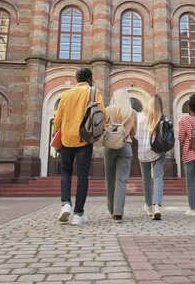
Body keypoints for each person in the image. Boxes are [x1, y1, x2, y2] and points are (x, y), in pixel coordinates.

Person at [52, 68, 106, 225]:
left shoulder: (66, 94)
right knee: (82, 175)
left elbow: (57, 119)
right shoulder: (93, 92)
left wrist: (56, 137)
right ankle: (78, 214)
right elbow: (102, 113)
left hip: (67, 139)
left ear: (77, 80)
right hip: (85, 138)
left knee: (66, 172)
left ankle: (66, 204)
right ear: (90, 79)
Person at [103, 89, 137, 223]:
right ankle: (118, 212)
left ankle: (111, 209)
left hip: (110, 146)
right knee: (121, 180)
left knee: (109, 179)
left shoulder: (108, 110)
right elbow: (133, 133)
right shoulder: (132, 112)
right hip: (126, 145)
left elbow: (103, 127)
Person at [137, 95, 166, 220]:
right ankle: (157, 206)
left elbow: (136, 136)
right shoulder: (163, 118)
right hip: (158, 151)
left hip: (143, 152)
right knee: (158, 177)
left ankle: (149, 206)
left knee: (146, 179)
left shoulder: (140, 118)